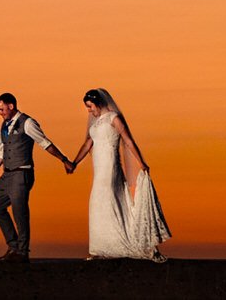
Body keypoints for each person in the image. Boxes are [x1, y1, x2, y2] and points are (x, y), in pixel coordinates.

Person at [67, 88, 170, 260]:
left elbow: (128, 140)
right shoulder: (95, 122)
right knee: (97, 202)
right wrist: (74, 163)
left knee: (109, 198)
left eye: (90, 106)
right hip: (99, 169)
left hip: (111, 166)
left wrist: (141, 162)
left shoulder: (114, 118)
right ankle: (100, 247)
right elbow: (87, 144)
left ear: (98, 103)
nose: (89, 110)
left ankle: (117, 244)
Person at [0, 92, 73, 260]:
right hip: (7, 174)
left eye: (2, 109)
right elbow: (0, 152)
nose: (0, 113)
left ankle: (22, 252)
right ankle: (13, 246)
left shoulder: (28, 123)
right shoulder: (3, 126)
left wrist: (64, 160)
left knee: (20, 212)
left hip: (22, 173)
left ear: (11, 106)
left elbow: (45, 143)